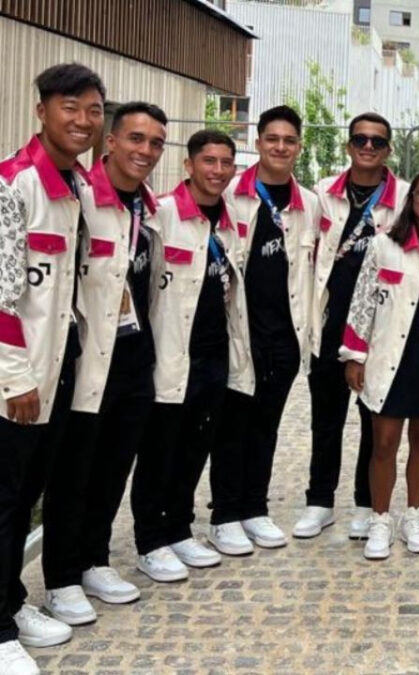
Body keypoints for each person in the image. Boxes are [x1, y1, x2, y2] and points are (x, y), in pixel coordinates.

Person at [41, 102, 166, 626]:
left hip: (136, 358)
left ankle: (94, 559)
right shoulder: (83, 200)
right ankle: (60, 578)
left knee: (115, 465)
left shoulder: (151, 209)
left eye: (156, 143)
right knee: (75, 471)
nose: (145, 151)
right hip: (89, 358)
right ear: (110, 142)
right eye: (136, 139)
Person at [0, 63, 105, 674]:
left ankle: (10, 603)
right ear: (41, 111)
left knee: (28, 492)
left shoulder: (78, 189)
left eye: (93, 111)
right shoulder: (15, 187)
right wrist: (15, 378)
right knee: (5, 498)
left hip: (58, 367)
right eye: (71, 107)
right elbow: (1, 296)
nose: (83, 121)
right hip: (19, 377)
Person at [128, 130, 252, 582]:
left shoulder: (232, 219)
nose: (217, 171)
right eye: (209, 161)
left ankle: (178, 528)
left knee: (196, 445)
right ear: (189, 165)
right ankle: (150, 539)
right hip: (169, 354)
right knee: (160, 449)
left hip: (214, 353)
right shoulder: (161, 215)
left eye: (226, 163)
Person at [210, 105, 320, 555]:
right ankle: (225, 515)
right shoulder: (231, 194)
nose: (280, 147)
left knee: (266, 425)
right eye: (272, 139)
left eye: (289, 140)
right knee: (232, 426)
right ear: (257, 142)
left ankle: (255, 508)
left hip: (285, 333)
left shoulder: (308, 203)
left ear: (298, 147)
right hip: (239, 331)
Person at [340, 170, 419, 559]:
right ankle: (380, 518)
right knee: (384, 443)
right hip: (388, 358)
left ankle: (414, 515)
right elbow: (362, 302)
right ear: (411, 200)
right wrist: (354, 356)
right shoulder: (383, 246)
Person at [298, 112, 408, 541]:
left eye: (377, 142)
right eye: (360, 139)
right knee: (325, 419)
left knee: (373, 421)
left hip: (378, 329)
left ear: (388, 150)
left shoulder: (401, 199)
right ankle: (319, 501)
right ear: (348, 145)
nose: (367, 147)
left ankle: (366, 503)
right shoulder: (323, 193)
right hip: (328, 321)